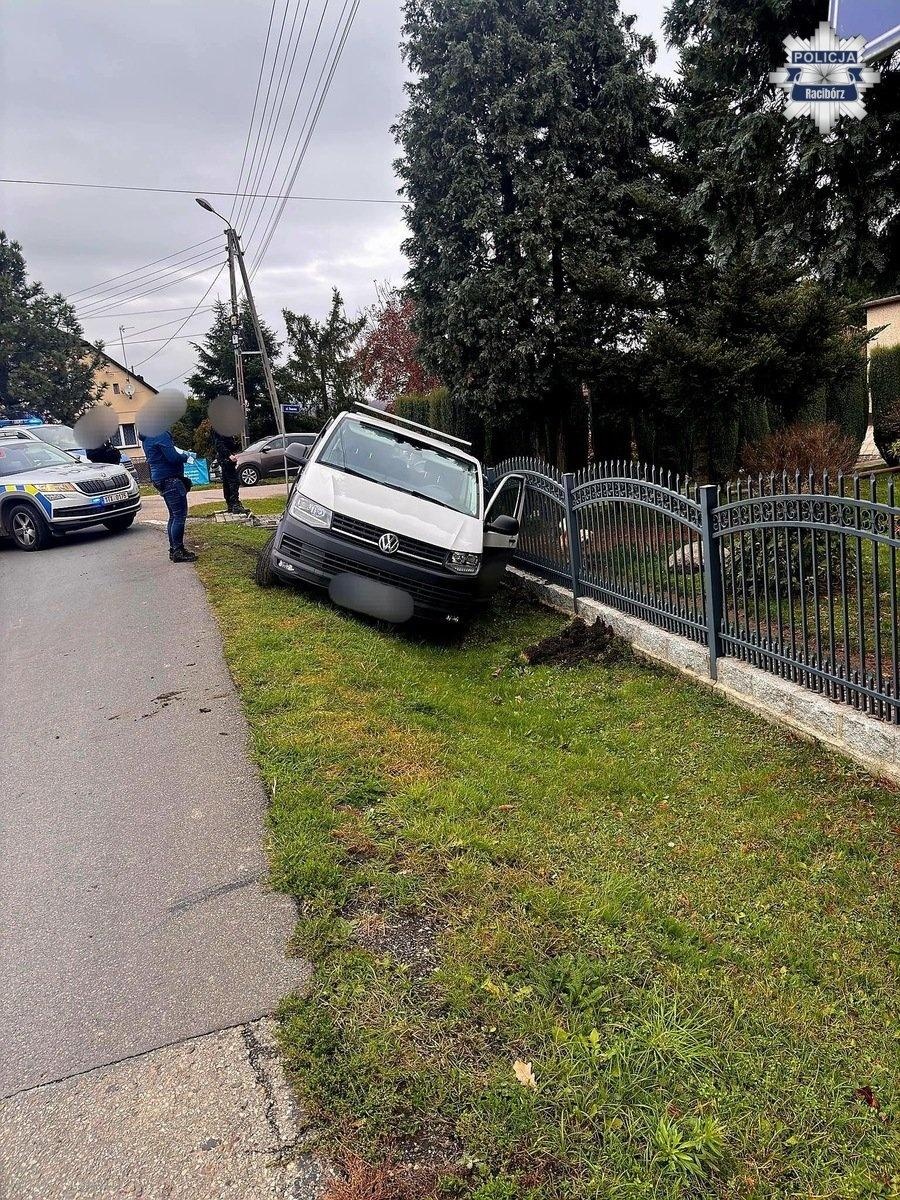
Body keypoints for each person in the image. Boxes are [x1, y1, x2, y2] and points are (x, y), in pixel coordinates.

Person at [139, 430, 197, 563]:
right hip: (170, 478)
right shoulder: (159, 434)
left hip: (161, 478)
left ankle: (174, 549)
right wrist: (186, 456)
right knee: (179, 516)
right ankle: (178, 551)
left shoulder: (147, 435)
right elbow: (172, 457)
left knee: (173, 515)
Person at [213, 428, 249, 516]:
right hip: (226, 458)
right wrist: (229, 455)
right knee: (233, 482)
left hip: (225, 457)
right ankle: (235, 504)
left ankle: (230, 504)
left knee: (227, 482)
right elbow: (219, 444)